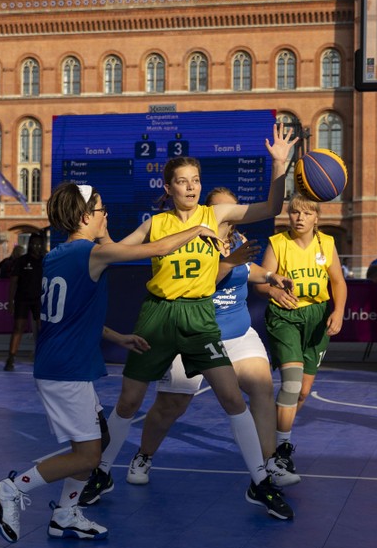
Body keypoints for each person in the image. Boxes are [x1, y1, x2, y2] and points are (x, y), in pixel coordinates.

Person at [81, 124, 297, 521]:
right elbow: (113, 253)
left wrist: (280, 163)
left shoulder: (215, 215)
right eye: (182, 182)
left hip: (199, 316)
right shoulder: (155, 224)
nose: (191, 187)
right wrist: (96, 235)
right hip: (158, 314)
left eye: (196, 180)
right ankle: (102, 472)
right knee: (130, 401)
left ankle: (258, 482)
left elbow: (271, 208)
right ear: (168, 188)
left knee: (233, 398)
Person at [0, 182, 219, 543]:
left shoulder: (58, 255)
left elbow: (73, 314)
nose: (106, 214)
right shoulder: (90, 253)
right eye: (101, 209)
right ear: (84, 217)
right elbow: (155, 247)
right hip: (66, 370)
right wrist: (199, 228)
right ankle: (12, 488)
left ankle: (65, 515)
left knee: (101, 438)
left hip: (61, 365)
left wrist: (117, 336)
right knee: (89, 457)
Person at [117, 187, 299, 490]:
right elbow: (198, 281)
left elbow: (246, 268)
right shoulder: (191, 238)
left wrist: (269, 276)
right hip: (194, 332)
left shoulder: (237, 240)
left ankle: (270, 464)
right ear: (209, 213)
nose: (230, 218)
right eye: (223, 212)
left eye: (234, 211)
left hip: (238, 333)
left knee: (262, 388)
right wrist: (228, 261)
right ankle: (144, 455)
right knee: (171, 405)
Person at [256, 193, 348, 479]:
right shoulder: (278, 243)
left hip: (317, 317)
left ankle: (275, 433)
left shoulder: (327, 243)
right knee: (292, 385)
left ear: (316, 218)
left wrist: (339, 311)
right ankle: (281, 450)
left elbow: (338, 282)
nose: (299, 217)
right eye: (295, 212)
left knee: (303, 392)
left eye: (306, 213)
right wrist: (273, 290)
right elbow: (261, 280)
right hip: (286, 316)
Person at [4, 234, 45, 371]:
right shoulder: (21, 261)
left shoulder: (45, 260)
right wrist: (11, 301)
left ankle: (43, 357)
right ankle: (11, 358)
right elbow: (13, 282)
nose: (36, 246)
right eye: (34, 244)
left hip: (39, 299)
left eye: (39, 244)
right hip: (22, 298)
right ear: (29, 244)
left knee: (42, 329)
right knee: (18, 328)